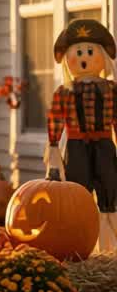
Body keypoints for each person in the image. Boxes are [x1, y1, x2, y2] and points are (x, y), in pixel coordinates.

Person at [46, 19, 117, 250]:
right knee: (78, 193)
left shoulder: (112, 90)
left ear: (102, 57)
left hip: (105, 145)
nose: (84, 58)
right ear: (68, 58)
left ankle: (109, 247)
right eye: (78, 52)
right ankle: (82, 246)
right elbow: (56, 120)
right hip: (76, 148)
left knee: (110, 190)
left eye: (89, 51)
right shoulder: (64, 92)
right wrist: (54, 147)